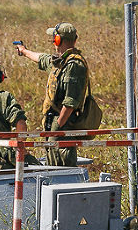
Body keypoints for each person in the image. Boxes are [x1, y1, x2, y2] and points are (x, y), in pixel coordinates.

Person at [14, 22, 89, 167]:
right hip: (54, 123)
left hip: (62, 123)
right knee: (52, 162)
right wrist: (24, 51)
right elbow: (42, 58)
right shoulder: (62, 61)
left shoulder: (74, 65)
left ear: (58, 40)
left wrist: (58, 127)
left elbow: (70, 102)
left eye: (54, 38)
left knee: (61, 164)